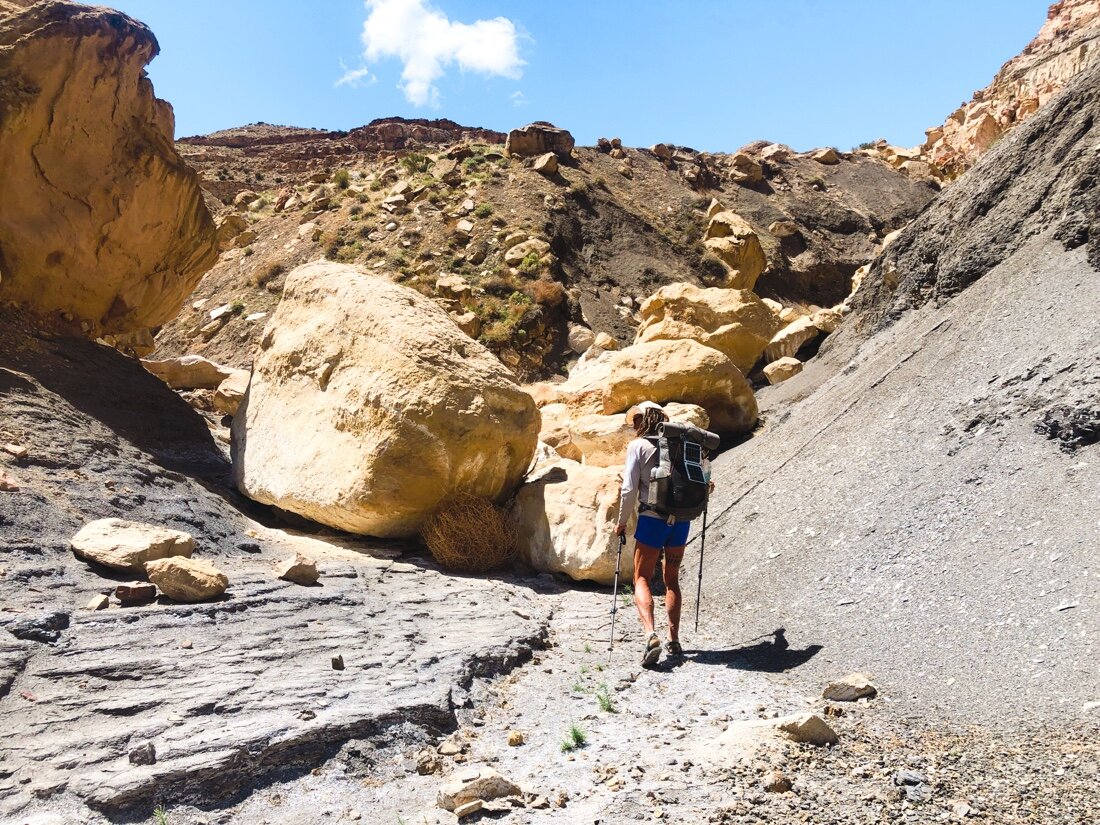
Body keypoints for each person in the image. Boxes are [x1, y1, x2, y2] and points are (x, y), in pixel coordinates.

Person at [614, 400, 696, 667]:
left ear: (643, 420)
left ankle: (650, 635)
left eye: (636, 420)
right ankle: (674, 639)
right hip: (681, 521)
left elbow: (628, 489)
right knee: (671, 578)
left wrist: (621, 522)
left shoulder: (638, 446)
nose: (634, 425)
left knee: (641, 577)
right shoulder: (681, 444)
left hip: (652, 519)